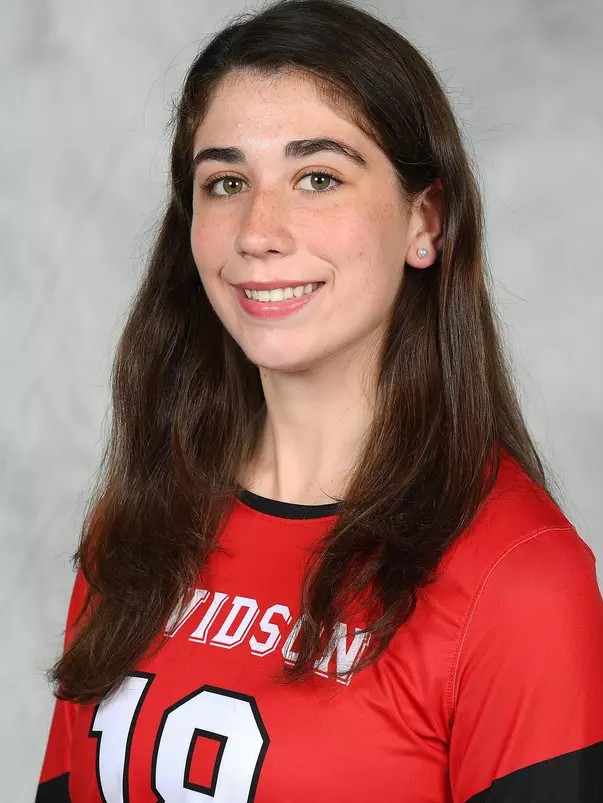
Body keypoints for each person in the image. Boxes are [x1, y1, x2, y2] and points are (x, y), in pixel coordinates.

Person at [35, 0, 603, 800]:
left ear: (424, 220)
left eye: (317, 177)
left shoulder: (518, 579)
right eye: (225, 181)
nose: (258, 231)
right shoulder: (136, 529)